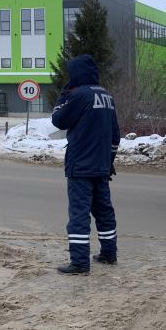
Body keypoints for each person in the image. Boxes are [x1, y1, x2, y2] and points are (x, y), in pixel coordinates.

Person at [51, 54, 121, 274]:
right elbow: (115, 136)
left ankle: (80, 263)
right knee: (104, 211)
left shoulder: (79, 95)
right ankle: (109, 254)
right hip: (101, 166)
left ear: (76, 74)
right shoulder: (107, 96)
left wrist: (62, 96)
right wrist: (109, 162)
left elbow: (58, 120)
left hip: (80, 166)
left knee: (79, 215)